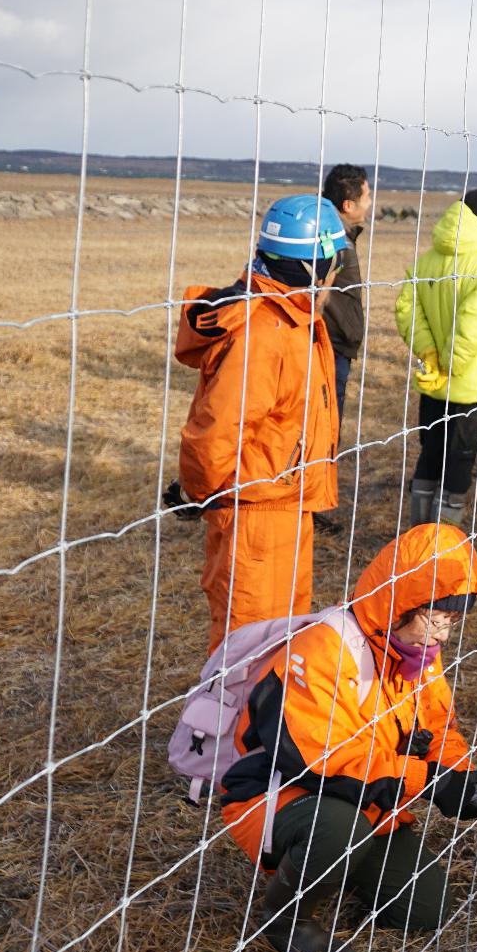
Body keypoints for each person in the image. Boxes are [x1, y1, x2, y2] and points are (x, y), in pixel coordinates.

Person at [218, 524, 477, 952]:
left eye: (452, 622)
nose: (442, 635)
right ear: (400, 603)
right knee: (339, 831)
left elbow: (439, 727)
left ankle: (340, 864)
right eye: (435, 618)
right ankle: (286, 917)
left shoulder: (414, 656)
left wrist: (458, 775)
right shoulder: (323, 650)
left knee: (426, 908)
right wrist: (430, 781)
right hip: (280, 793)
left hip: (366, 801)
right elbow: (322, 761)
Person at [176, 194, 347, 649]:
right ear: (314, 268)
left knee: (284, 642)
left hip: (288, 505)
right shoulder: (262, 333)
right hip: (256, 514)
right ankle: (231, 723)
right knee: (247, 649)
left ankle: (268, 722)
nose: (337, 277)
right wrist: (200, 491)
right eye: (336, 264)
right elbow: (217, 428)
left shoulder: (293, 320)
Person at [395, 188, 477, 527]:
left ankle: (418, 532)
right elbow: (473, 326)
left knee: (429, 455)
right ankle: (443, 543)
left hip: (432, 383)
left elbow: (406, 311)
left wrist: (430, 354)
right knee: (459, 463)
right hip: (467, 386)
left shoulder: (424, 262)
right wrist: (450, 364)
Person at [319, 163, 373, 412]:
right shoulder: (332, 240)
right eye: (367, 196)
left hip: (335, 345)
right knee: (326, 421)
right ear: (348, 205)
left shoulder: (337, 234)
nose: (370, 203)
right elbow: (318, 295)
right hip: (329, 347)